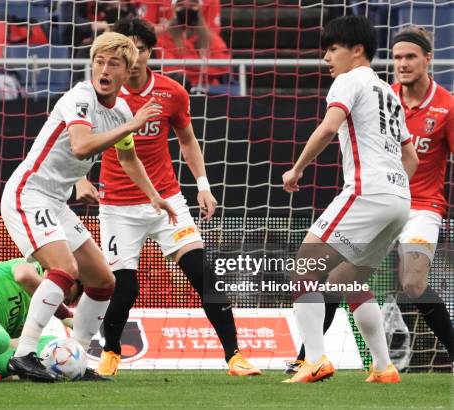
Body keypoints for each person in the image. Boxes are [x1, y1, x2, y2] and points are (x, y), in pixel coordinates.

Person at [74, 17, 260, 377]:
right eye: (123, 51)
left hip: (167, 202)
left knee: (203, 274)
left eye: (139, 50)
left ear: (147, 53)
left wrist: (203, 186)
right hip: (117, 207)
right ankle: (110, 353)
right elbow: (78, 142)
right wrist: (82, 179)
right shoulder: (98, 95)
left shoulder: (172, 92)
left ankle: (235, 356)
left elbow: (188, 141)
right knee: (124, 289)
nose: (133, 57)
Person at [0, 31, 178, 382]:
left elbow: (128, 159)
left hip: (56, 201)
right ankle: (23, 355)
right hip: (28, 192)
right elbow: (81, 146)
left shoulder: (122, 109)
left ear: (128, 72)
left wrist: (153, 194)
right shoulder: (80, 97)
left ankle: (75, 358)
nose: (104, 69)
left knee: (102, 279)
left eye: (113, 63)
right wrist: (132, 124)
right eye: (99, 61)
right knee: (64, 269)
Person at [285, 25, 454, 375]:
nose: (326, 58)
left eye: (332, 49)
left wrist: (297, 169)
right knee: (348, 280)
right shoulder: (388, 93)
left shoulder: (351, 80)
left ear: (357, 50)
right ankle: (383, 366)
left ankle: (313, 361)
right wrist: (394, 189)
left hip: (370, 193)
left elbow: (329, 127)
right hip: (399, 200)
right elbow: (412, 159)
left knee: (303, 266)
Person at [391, 26, 454, 367]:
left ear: (428, 59)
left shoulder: (447, 107)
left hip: (424, 208)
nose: (403, 63)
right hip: (383, 205)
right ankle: (306, 359)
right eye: (398, 57)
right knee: (337, 276)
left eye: (410, 56)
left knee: (414, 282)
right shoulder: (384, 98)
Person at [155, 0, 229, 90]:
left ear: (200, 9)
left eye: (192, 5)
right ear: (173, 9)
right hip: (176, 88)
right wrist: (202, 64)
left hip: (209, 88)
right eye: (181, 5)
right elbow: (170, 70)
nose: (186, 9)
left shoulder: (211, 38)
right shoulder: (163, 38)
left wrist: (184, 62)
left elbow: (224, 66)